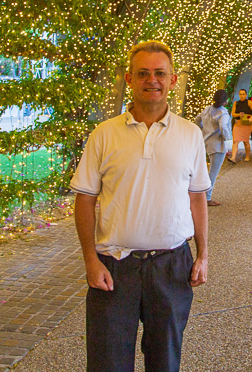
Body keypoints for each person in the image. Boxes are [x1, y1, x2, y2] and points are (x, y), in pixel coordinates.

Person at [70, 40, 210, 372]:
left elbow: (197, 198)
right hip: (114, 267)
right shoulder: (104, 134)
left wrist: (203, 255)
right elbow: (85, 199)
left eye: (160, 73)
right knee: (107, 363)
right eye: (143, 73)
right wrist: (90, 260)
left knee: (165, 362)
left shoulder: (190, 134)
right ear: (129, 79)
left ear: (172, 80)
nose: (152, 80)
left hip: (171, 266)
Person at [195, 90, 232, 206]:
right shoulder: (223, 112)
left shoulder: (207, 109)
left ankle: (200, 195)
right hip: (217, 143)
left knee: (204, 170)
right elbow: (223, 126)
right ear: (225, 101)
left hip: (205, 141)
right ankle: (207, 198)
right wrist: (226, 138)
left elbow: (197, 120)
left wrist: (203, 130)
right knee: (213, 172)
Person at [229, 88, 252, 163]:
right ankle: (233, 157)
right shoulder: (236, 103)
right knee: (235, 141)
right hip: (238, 124)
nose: (242, 96)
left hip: (246, 124)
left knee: (246, 141)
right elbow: (233, 114)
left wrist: (251, 117)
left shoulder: (249, 102)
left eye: (243, 94)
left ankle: (247, 156)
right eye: (240, 94)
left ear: (246, 95)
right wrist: (239, 114)